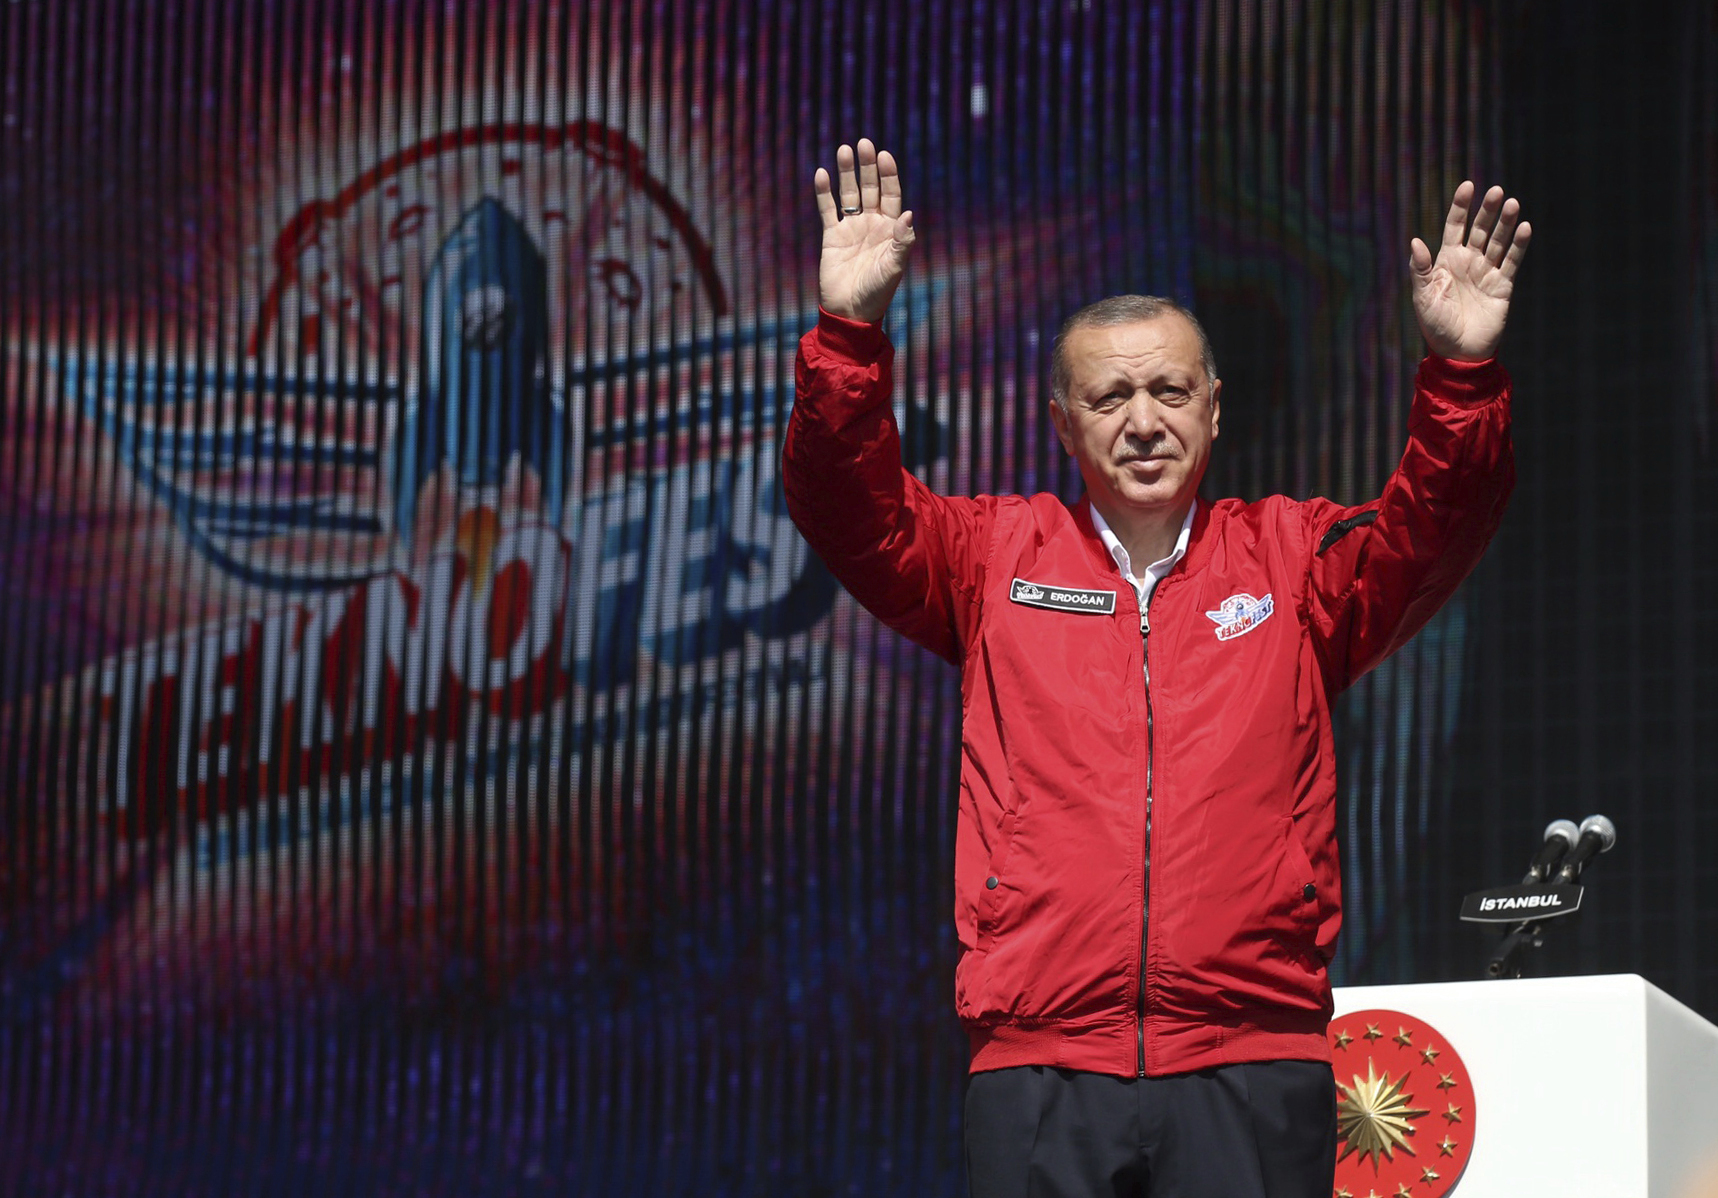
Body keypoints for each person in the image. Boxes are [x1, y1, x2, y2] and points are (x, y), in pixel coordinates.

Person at [781, 138, 1530, 1198]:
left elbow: (1435, 528)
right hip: (1041, 1057)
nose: (1142, 421)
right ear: (1060, 424)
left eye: (1169, 391)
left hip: (1250, 1053)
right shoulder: (994, 556)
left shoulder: (1290, 560)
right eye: (1109, 397)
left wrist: (1458, 374)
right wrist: (849, 337)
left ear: (1213, 408)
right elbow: (845, 511)